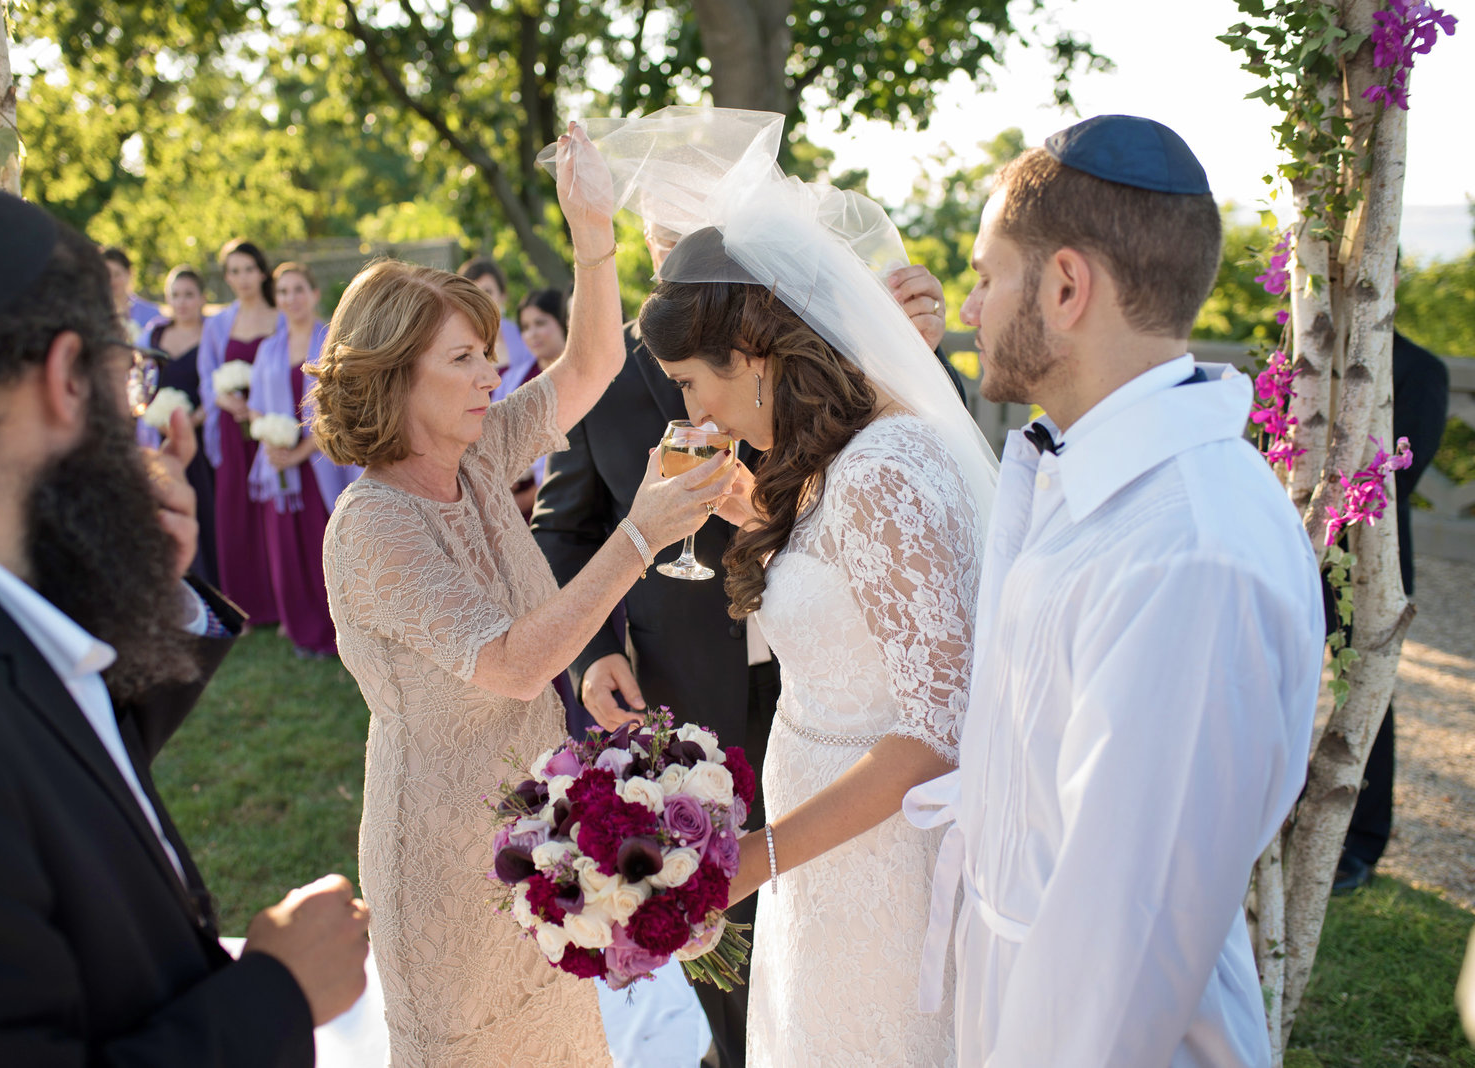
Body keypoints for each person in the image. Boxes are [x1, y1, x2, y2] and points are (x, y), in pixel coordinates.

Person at [0, 185, 370, 1065]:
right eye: (126, 378)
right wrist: (276, 996)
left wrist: (156, 584)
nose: (135, 410)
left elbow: (57, 746)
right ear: (68, 379)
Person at [547, 106, 999, 1065]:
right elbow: (849, 589)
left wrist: (751, 860)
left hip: (877, 858)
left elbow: (933, 730)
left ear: (752, 355)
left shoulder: (883, 468)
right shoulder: (852, 458)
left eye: (696, 383)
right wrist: (751, 515)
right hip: (831, 851)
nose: (692, 409)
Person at [310, 124, 735, 1065]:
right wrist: (640, 536)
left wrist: (593, 232)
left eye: (488, 354)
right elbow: (511, 664)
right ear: (391, 375)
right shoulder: (374, 524)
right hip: (444, 862)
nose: (490, 374)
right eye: (462, 359)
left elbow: (586, 368)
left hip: (538, 835)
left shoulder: (477, 454)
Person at [907, 115, 1325, 1066]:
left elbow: (1120, 953)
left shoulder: (1188, 551)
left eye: (984, 274)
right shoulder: (1082, 481)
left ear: (1063, 287)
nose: (969, 308)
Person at [1333, 322, 1450, 892]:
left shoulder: (1423, 370)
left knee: (1368, 691)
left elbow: (1398, 479)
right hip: (1287, 543)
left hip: (1371, 559)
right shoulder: (1308, 356)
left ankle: (1362, 843)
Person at [247, 262, 358, 658]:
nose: (290, 298)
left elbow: (337, 406)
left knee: (326, 546)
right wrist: (275, 446)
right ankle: (301, 630)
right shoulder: (268, 349)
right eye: (283, 292)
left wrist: (300, 451)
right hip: (281, 469)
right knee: (288, 550)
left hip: (322, 463)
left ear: (313, 294)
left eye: (298, 290)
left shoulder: (332, 342)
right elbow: (256, 408)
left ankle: (340, 634)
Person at [199, 238, 281, 626]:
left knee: (273, 512)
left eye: (249, 269)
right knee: (235, 512)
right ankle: (244, 607)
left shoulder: (280, 316)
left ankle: (281, 604)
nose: (242, 278)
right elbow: (207, 376)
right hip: (234, 432)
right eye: (234, 271)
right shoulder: (218, 324)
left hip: (270, 430)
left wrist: (264, 408)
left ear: (262, 272)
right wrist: (223, 400)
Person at [136, 264, 219, 587]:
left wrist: (196, 417)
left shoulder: (212, 334)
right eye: (175, 295)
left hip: (202, 437)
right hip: (160, 438)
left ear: (201, 298)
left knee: (205, 510)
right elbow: (141, 383)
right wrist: (154, 418)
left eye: (188, 295)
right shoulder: (154, 336)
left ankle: (213, 584)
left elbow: (218, 383)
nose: (181, 302)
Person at [511, 287, 568, 518]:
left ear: (562, 320)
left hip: (558, 499)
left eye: (540, 323)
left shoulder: (576, 379)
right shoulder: (513, 380)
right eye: (525, 327)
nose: (532, 333)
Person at [459, 256, 533, 395]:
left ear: (503, 295)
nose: (481, 300)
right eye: (474, 293)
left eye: (488, 291)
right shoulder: (456, 345)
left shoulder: (525, 338)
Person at [101, 245, 162, 339]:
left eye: (117, 274)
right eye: (107, 275)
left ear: (129, 273)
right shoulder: (93, 313)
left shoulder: (152, 314)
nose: (112, 281)